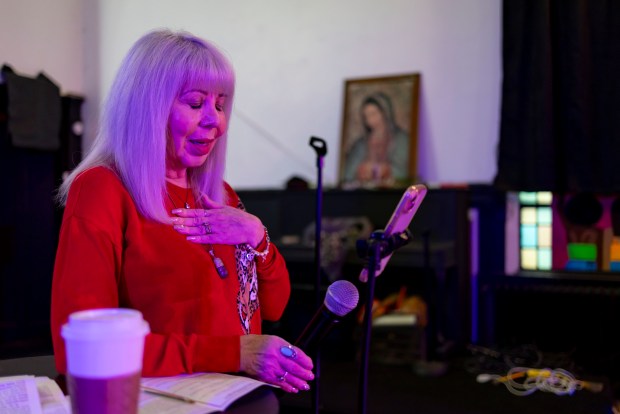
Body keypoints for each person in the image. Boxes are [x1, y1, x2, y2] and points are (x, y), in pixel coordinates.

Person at [50, 29, 314, 394]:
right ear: (147, 108)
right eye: (195, 104)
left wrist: (258, 237)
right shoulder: (101, 190)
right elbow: (80, 350)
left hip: (231, 396)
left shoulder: (220, 194)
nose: (215, 121)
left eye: (220, 105)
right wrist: (233, 354)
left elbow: (274, 307)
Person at [342, 92, 410, 188]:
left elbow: (405, 171)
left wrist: (386, 170)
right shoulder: (360, 144)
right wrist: (361, 171)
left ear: (385, 113)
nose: (370, 121)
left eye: (373, 114)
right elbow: (348, 175)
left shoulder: (402, 139)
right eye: (366, 116)